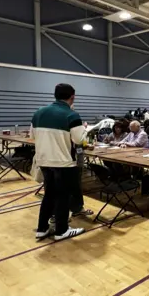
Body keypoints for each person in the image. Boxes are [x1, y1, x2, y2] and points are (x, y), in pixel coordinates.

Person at [31, 83, 86, 240]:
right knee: (62, 196)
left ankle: (42, 228)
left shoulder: (38, 113)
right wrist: (84, 129)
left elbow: (33, 135)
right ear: (72, 97)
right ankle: (62, 230)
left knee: (49, 195)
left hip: (44, 161)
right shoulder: (72, 115)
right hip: (63, 163)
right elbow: (79, 139)